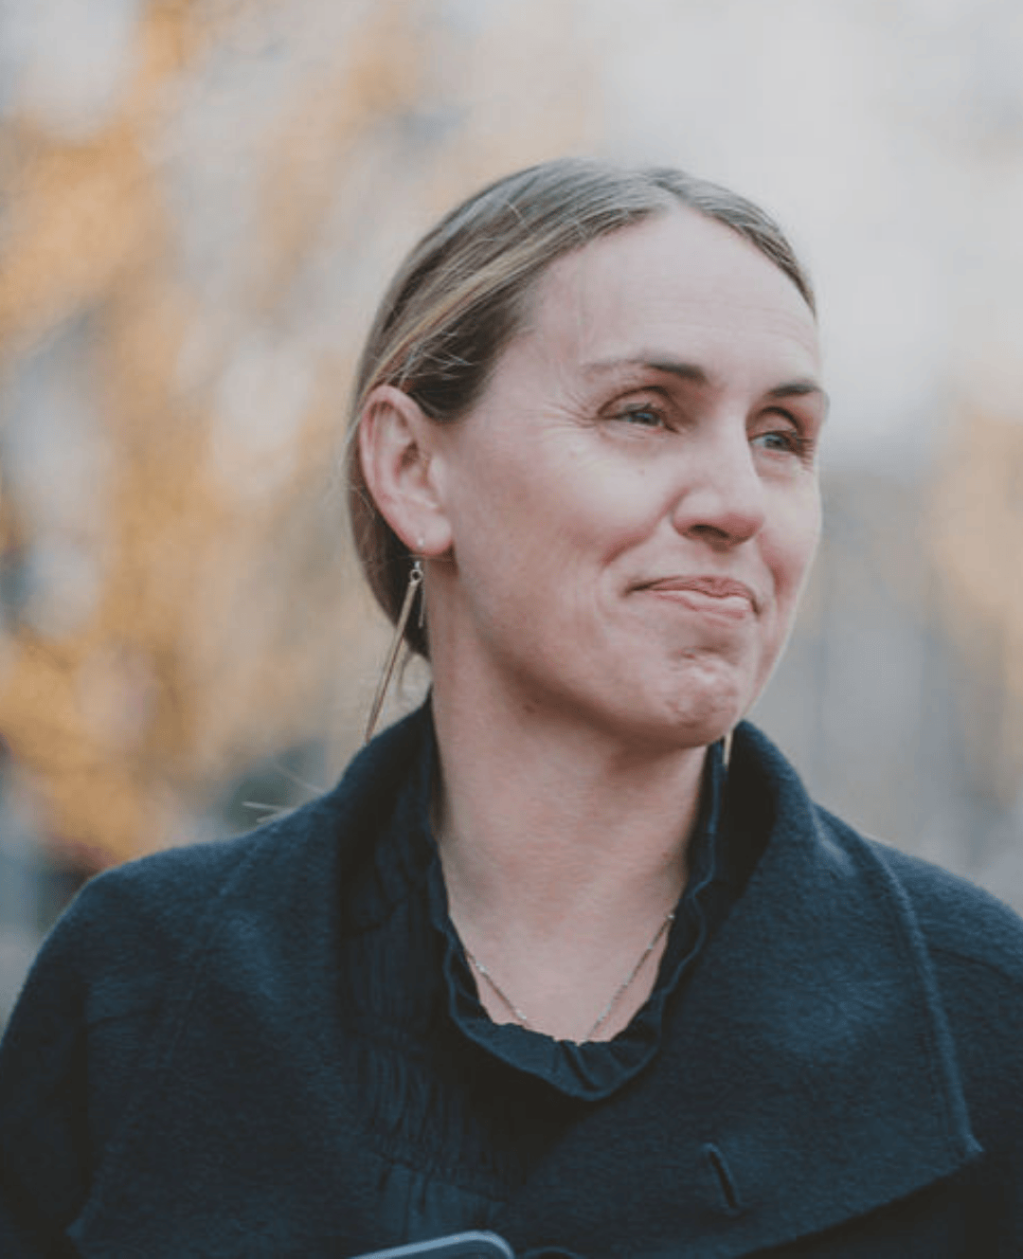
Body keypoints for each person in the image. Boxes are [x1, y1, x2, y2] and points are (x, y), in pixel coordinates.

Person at [2, 158, 1022, 1258]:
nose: (738, 501)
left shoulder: (984, 1023)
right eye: (645, 413)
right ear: (412, 468)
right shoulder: (137, 993)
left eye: (781, 437)